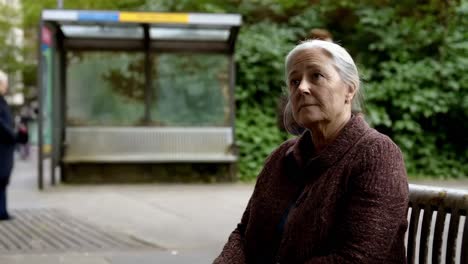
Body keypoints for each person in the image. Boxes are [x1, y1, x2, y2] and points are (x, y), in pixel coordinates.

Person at [214, 40, 409, 263]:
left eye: (316, 76)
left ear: (349, 89)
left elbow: (359, 258)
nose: (302, 88)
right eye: (294, 81)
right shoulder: (282, 157)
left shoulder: (376, 154)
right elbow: (243, 233)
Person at [0, 70, 15, 220]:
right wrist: (12, 134)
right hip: (2, 146)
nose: (6, 87)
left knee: (3, 179)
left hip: (5, 147)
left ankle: (2, 210)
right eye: (4, 84)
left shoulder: (3, 101)